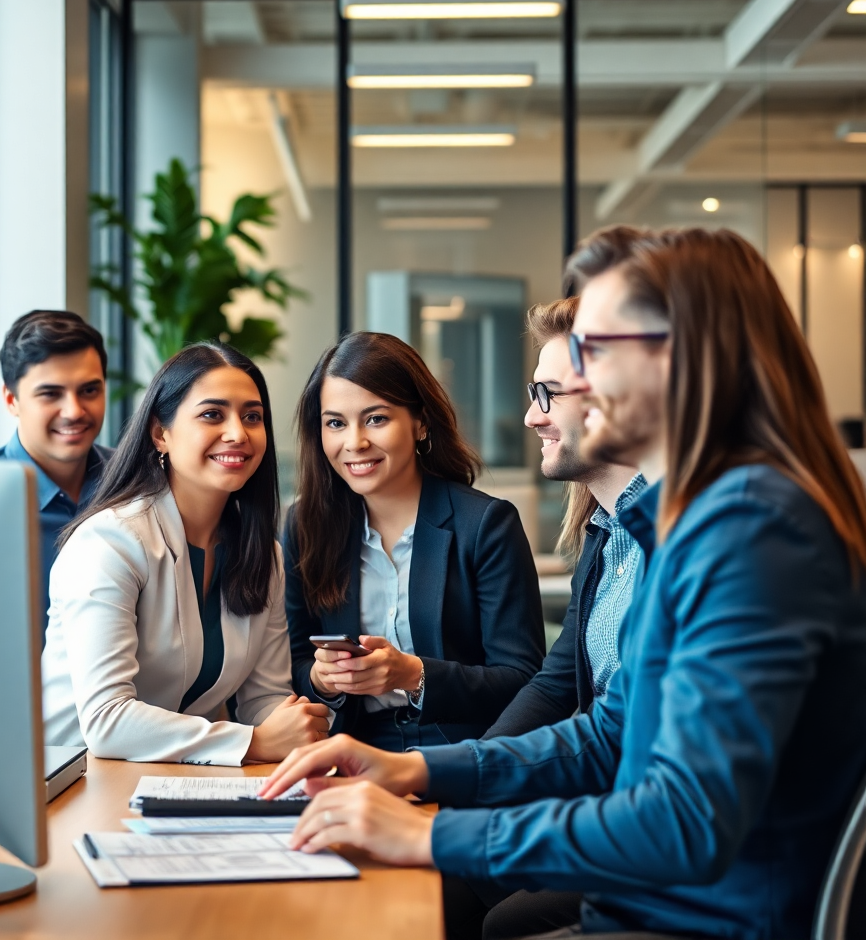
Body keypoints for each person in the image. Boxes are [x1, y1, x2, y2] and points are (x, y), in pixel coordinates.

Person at [261, 227, 866, 940]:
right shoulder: (683, 524)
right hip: (661, 901)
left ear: (681, 361)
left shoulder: (753, 529)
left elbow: (685, 822)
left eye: (595, 351)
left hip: (712, 918)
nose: (563, 393)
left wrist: (429, 835)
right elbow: (607, 736)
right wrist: (412, 770)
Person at [447, 290, 645, 940]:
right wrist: (460, 777)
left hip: (662, 836)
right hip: (615, 806)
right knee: (450, 875)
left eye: (547, 394)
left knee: (505, 919)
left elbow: (617, 738)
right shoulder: (607, 533)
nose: (532, 417)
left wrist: (448, 777)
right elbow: (558, 684)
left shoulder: (690, 545)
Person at [43, 342, 329, 765]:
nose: (238, 433)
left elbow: (263, 698)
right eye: (212, 414)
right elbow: (106, 722)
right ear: (161, 433)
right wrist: (254, 742)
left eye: (252, 416)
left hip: (174, 779)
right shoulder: (109, 543)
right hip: (78, 778)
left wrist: (296, 725)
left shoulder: (262, 554)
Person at [284, 331, 546, 753]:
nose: (354, 442)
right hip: (348, 750)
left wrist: (412, 675)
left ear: (420, 423)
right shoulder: (305, 526)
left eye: (376, 419)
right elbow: (290, 662)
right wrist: (321, 679)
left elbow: (524, 680)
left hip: (461, 752)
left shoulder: (485, 525)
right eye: (335, 423)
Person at [0, 310, 113, 641]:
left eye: (89, 390)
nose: (74, 411)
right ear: (11, 400)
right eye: (50, 394)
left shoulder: (140, 483)